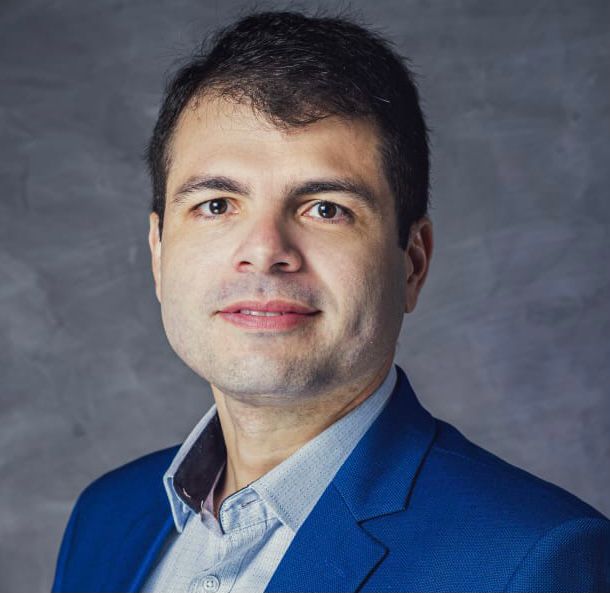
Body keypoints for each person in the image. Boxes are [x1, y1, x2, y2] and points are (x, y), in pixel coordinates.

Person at [51, 10, 609, 593]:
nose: (265, 251)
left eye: (326, 209)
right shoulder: (106, 517)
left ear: (413, 262)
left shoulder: (537, 560)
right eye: (216, 205)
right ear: (159, 252)